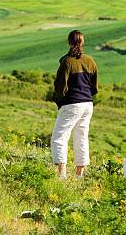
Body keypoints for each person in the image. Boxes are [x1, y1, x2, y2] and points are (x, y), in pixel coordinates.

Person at [51, 30, 98, 179]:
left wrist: (60, 101)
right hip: (87, 104)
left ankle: (62, 175)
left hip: (72, 103)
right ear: (83, 43)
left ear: (69, 42)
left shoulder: (66, 62)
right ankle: (79, 176)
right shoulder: (90, 61)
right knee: (81, 137)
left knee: (59, 138)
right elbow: (94, 87)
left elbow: (60, 87)